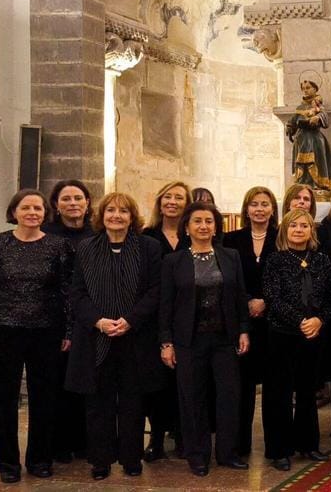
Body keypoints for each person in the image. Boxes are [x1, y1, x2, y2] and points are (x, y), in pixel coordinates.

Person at [0, 190, 73, 483]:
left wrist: (67, 331)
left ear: (45, 213)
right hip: (3, 330)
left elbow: (66, 293)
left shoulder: (59, 246)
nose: (32, 212)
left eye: (38, 208)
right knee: (3, 400)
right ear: (14, 211)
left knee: (45, 398)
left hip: (47, 331)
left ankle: (40, 459)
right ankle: (7, 464)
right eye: (26, 207)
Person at [66, 192, 164, 480]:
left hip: (136, 337)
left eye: (123, 211)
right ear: (101, 216)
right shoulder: (86, 248)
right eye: (110, 210)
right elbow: (77, 293)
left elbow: (156, 290)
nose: (116, 216)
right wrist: (98, 321)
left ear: (132, 217)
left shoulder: (149, 247)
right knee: (98, 404)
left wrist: (131, 320)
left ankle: (131, 459)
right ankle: (101, 460)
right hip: (97, 338)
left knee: (133, 403)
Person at [158, 202, 251, 476]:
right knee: (192, 398)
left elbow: (239, 297)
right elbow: (166, 305)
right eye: (197, 221)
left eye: (209, 221)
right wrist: (166, 342)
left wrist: (244, 329)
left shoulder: (230, 256)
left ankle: (227, 452)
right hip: (188, 341)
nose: (203, 226)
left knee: (228, 397)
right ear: (187, 227)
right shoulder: (173, 261)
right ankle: (197, 455)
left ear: (216, 227)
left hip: (225, 339)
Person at [261, 209, 331, 470]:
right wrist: (300, 321)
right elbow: (272, 296)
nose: (299, 229)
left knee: (307, 392)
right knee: (278, 393)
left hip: (313, 334)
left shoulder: (322, 260)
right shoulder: (275, 260)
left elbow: (330, 298)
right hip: (282, 334)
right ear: (285, 230)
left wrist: (318, 320)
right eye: (294, 225)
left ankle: (308, 444)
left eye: (304, 225)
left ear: (311, 231)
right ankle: (279, 450)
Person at [221, 186, 278, 459]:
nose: (259, 209)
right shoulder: (230, 239)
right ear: (246, 209)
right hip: (240, 320)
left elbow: (285, 277)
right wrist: (246, 302)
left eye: (264, 204)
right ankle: (239, 445)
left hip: (274, 320)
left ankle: (275, 447)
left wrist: (265, 300)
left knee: (273, 386)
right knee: (240, 386)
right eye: (254, 204)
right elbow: (225, 278)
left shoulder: (281, 238)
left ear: (272, 209)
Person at [43, 179, 94, 464]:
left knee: (86, 382)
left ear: (88, 203)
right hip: (55, 319)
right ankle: (59, 444)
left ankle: (86, 442)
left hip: (89, 318)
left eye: (78, 198)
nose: (73, 203)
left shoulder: (97, 234)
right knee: (57, 383)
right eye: (66, 199)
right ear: (56, 205)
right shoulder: (47, 234)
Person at [141, 181, 190, 462]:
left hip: (187, 318)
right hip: (154, 317)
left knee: (186, 381)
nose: (172, 202)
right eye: (167, 197)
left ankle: (184, 436)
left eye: (179, 198)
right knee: (156, 382)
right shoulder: (147, 236)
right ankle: (157, 439)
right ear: (160, 203)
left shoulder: (194, 233)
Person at [287, 79, 331, 189]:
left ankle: (316, 184)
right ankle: (302, 183)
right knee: (301, 163)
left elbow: (324, 116)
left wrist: (317, 117)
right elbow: (293, 120)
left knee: (315, 161)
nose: (305, 91)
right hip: (301, 139)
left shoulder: (317, 105)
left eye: (308, 88)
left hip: (314, 138)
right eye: (303, 89)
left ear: (315, 89)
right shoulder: (300, 107)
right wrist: (290, 127)